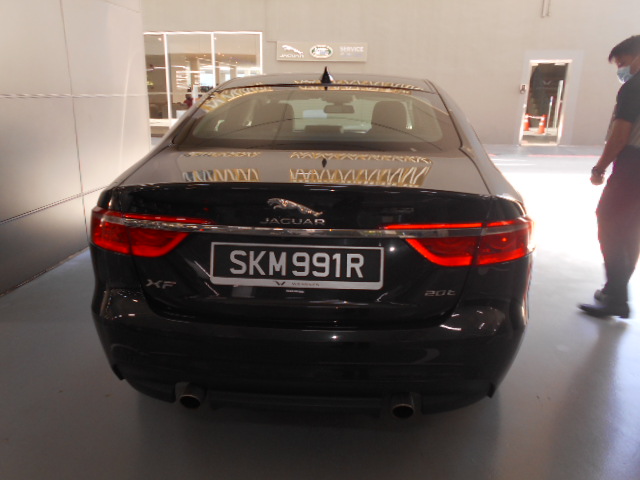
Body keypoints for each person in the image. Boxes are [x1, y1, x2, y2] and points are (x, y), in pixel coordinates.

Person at [579, 35, 640, 319]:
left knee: (610, 223)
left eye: (623, 63)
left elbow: (620, 135)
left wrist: (599, 168)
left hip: (633, 165)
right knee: (631, 229)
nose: (622, 70)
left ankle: (616, 297)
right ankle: (614, 291)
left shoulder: (633, 88)